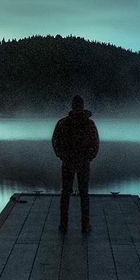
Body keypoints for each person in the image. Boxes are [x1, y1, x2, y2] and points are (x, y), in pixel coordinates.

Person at [52, 95, 100, 233]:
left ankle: (63, 225)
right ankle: (85, 226)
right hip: (83, 163)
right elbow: (95, 144)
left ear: (72, 106)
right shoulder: (89, 124)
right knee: (84, 194)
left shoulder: (63, 123)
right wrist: (88, 158)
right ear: (82, 106)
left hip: (67, 162)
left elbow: (55, 141)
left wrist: (62, 156)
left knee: (65, 193)